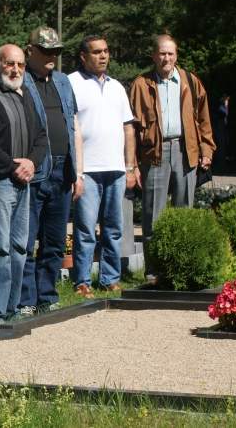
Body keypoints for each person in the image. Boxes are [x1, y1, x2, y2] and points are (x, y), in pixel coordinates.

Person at [0, 44, 47, 327]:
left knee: (21, 247)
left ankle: (12, 307)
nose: (15, 69)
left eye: (19, 64)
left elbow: (41, 137)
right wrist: (13, 166)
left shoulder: (26, 95)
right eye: (9, 64)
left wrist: (32, 162)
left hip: (25, 182)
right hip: (0, 181)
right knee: (0, 248)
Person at [17, 27, 83, 316]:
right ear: (30, 50)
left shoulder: (63, 81)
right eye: (46, 51)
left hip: (62, 169)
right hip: (35, 170)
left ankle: (47, 295)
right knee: (27, 239)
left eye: (56, 51)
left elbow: (74, 125)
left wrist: (78, 172)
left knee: (54, 240)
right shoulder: (21, 81)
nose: (52, 57)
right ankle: (26, 300)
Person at [129, 34, 215, 244]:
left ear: (176, 56)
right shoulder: (141, 84)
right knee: (152, 215)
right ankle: (152, 272)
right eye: (162, 53)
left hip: (186, 150)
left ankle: (181, 265)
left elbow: (204, 119)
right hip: (154, 152)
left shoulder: (191, 82)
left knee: (184, 213)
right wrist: (132, 164)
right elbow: (130, 127)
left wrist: (206, 150)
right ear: (153, 56)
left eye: (170, 53)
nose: (166, 58)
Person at [68, 35, 137, 297]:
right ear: (83, 56)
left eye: (106, 51)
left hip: (116, 169)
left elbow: (128, 128)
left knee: (113, 228)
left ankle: (110, 278)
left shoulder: (118, 87)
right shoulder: (72, 83)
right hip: (87, 171)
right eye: (97, 52)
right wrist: (76, 172)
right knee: (85, 229)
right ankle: (82, 281)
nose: (103, 56)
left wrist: (130, 167)